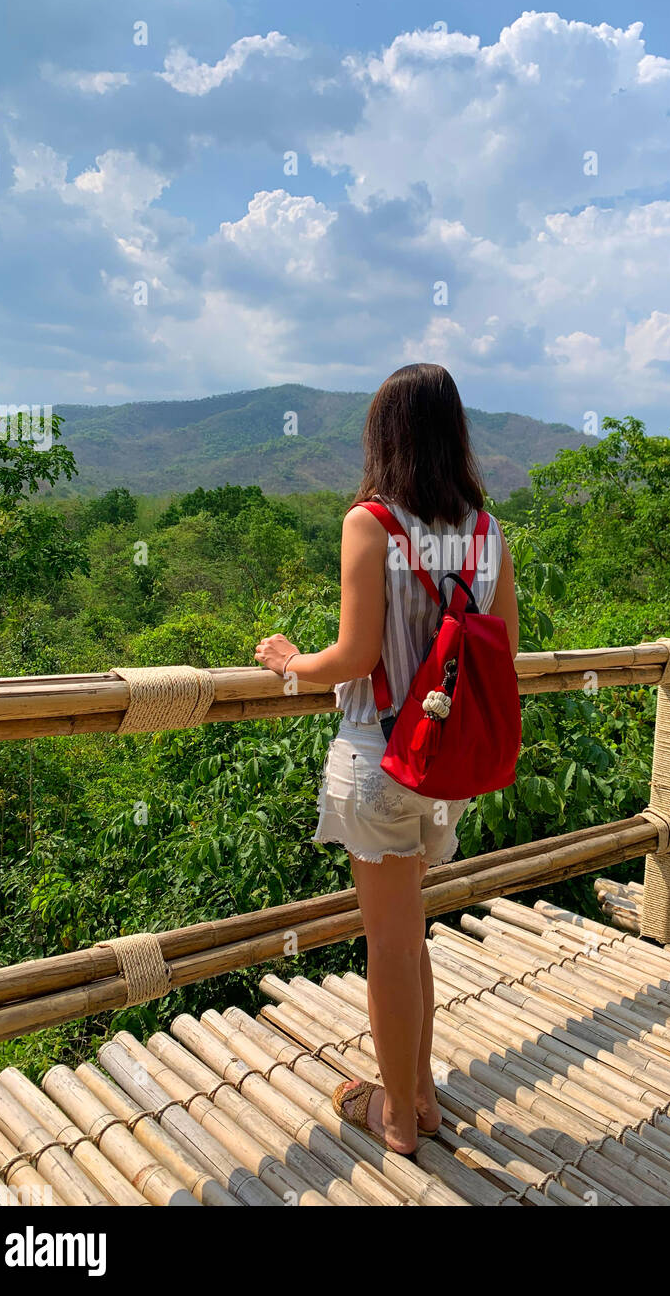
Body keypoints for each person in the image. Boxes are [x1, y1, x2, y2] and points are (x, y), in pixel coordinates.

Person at [255, 362, 520, 1157]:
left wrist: (287, 660)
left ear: (384, 435)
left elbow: (352, 655)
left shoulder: (369, 522)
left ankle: (396, 1117)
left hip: (379, 758)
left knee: (391, 945)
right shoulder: (485, 529)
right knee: (413, 939)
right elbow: (502, 646)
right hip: (448, 765)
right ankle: (423, 1096)